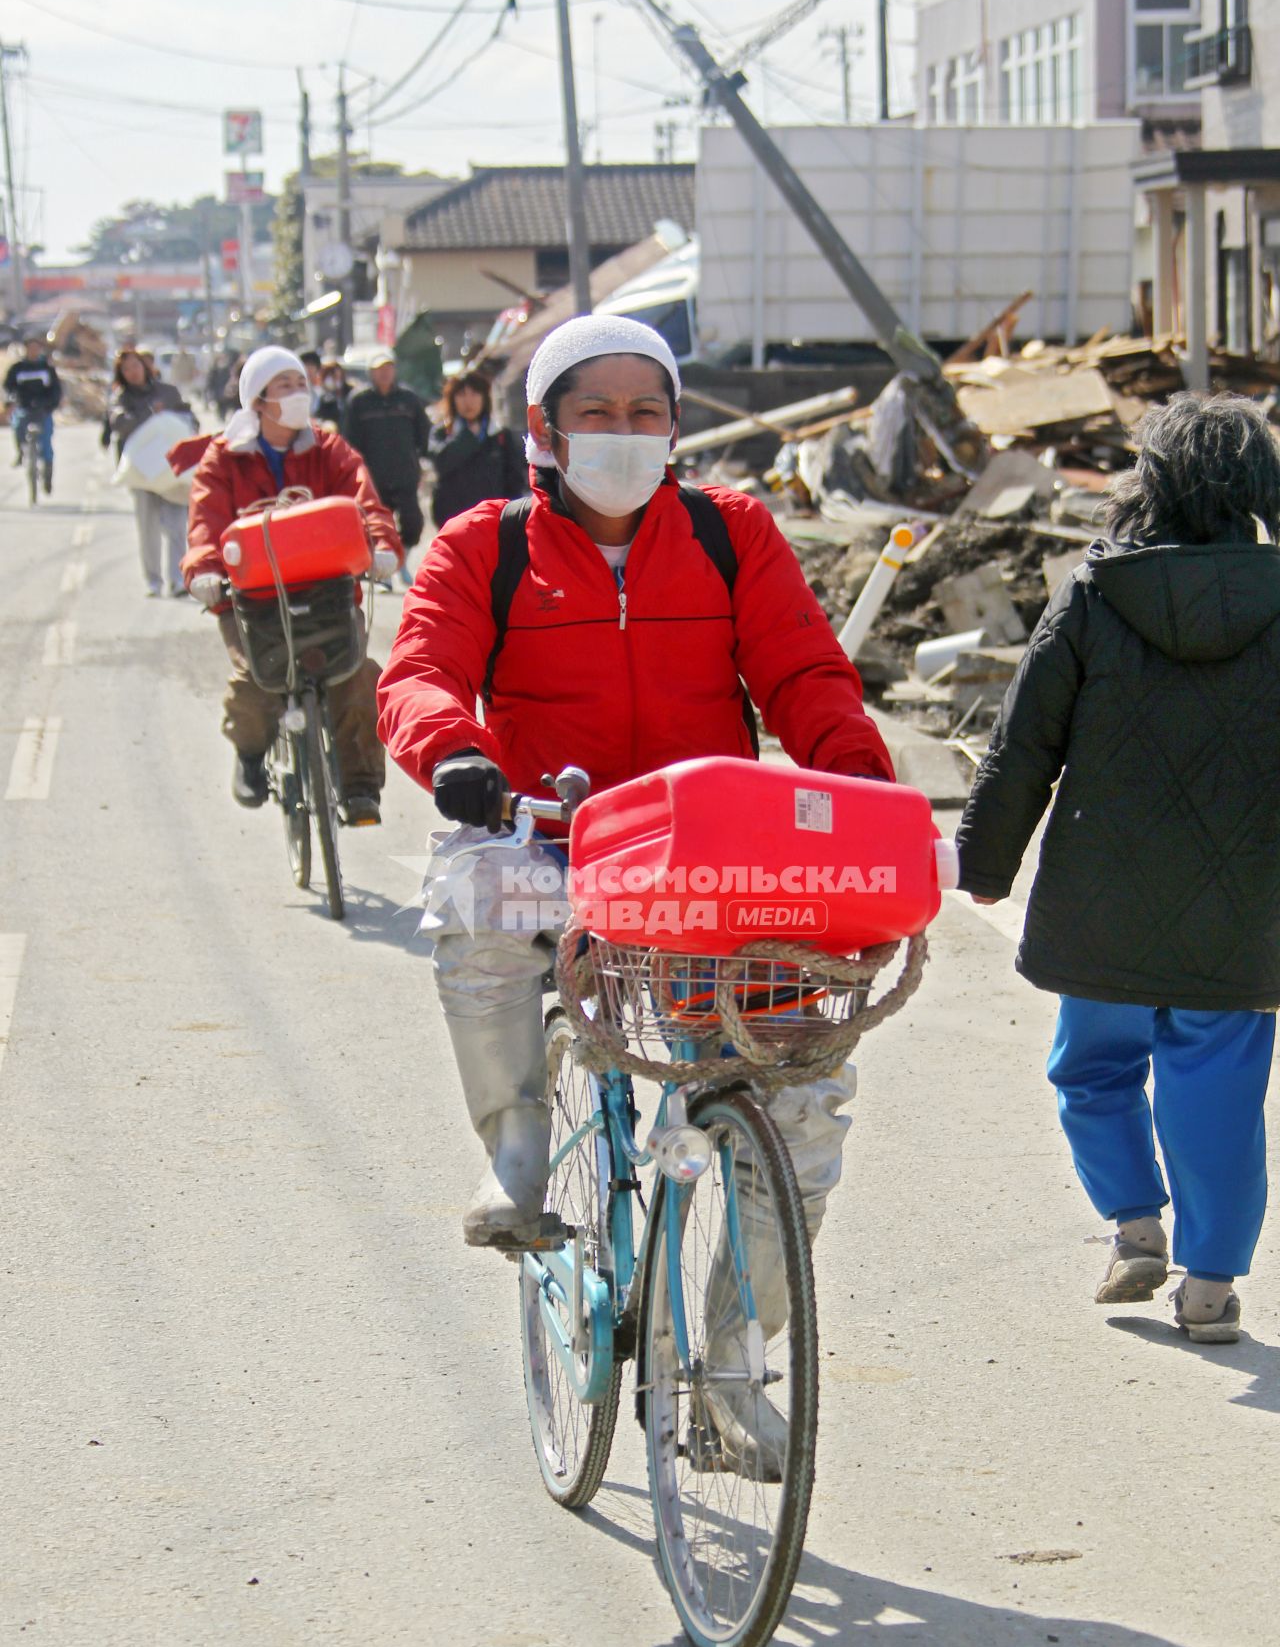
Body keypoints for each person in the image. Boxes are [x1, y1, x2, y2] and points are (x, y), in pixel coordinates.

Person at [377, 313, 894, 1476]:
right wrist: (451, 749)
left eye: (644, 413)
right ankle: (515, 1153)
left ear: (675, 426)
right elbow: (418, 668)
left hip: (703, 848)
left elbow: (803, 668)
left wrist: (850, 772)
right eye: (594, 415)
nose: (622, 434)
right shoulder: (484, 545)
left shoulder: (730, 534)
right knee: (478, 910)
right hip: (548, 830)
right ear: (544, 433)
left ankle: (724, 1360)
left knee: (800, 1105)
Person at [955, 392, 1280, 1347]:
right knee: (1215, 1082)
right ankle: (1211, 1285)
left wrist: (986, 862)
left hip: (1103, 894)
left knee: (1090, 1068)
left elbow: (1023, 746)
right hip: (1245, 898)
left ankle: (1136, 1225)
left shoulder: (1096, 593)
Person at [180, 345, 402, 825]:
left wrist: (382, 547)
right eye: (285, 386)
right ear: (257, 400)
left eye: (301, 383)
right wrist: (204, 571)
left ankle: (360, 787)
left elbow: (365, 501)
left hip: (328, 593)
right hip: (252, 602)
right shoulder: (224, 458)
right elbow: (205, 522)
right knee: (258, 684)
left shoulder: (329, 448)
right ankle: (251, 757)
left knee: (357, 675)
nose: (299, 393)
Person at [101, 345, 195, 599]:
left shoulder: (169, 393)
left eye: (136, 365)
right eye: (126, 369)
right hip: (142, 473)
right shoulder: (121, 398)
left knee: (176, 525)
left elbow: (190, 420)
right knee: (148, 528)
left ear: (146, 366)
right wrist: (150, 414)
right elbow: (119, 423)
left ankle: (177, 580)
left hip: (172, 472)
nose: (132, 372)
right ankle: (153, 581)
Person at [343, 348, 430, 585]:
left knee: (413, 523)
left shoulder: (409, 400)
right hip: (374, 475)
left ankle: (400, 561)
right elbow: (350, 439)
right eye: (379, 369)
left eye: (388, 368)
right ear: (371, 372)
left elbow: (424, 433)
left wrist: (419, 459)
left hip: (405, 473)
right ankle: (384, 575)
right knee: (379, 526)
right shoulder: (359, 402)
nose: (384, 373)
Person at [427, 368, 524, 529]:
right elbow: (440, 463)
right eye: (462, 395)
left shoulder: (499, 435)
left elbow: (514, 481)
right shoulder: (442, 433)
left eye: (474, 394)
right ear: (452, 399)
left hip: (495, 523)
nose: (468, 401)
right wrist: (467, 438)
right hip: (456, 525)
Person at [4, 332, 61, 492]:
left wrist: (50, 404)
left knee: (46, 441)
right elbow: (9, 388)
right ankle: (21, 453)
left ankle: (47, 476)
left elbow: (56, 390)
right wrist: (11, 401)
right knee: (17, 427)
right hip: (24, 408)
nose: (33, 350)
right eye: (30, 347)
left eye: (36, 347)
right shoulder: (17, 369)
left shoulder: (47, 368)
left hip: (43, 410)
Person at [315, 349, 350, 429]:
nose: (336, 381)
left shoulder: (350, 394)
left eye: (338, 377)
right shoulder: (323, 398)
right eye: (332, 377)